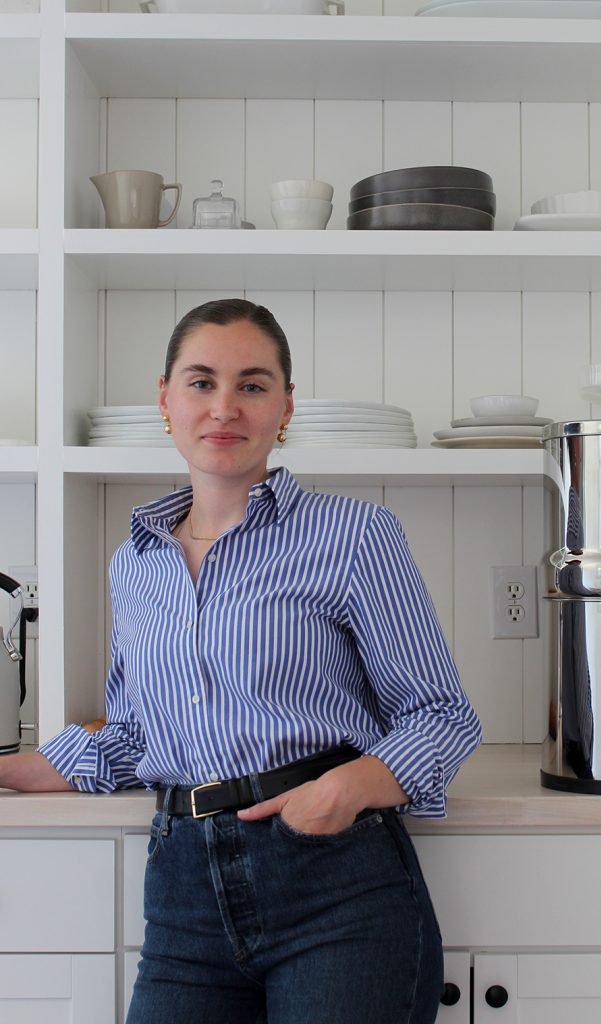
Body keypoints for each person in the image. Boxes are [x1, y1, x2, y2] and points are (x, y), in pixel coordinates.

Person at [0, 298, 481, 1024]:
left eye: (252, 386)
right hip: (183, 889)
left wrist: (345, 788)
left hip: (334, 880)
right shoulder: (134, 562)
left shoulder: (354, 536)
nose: (224, 407)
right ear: (164, 399)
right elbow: (135, 737)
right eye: (200, 382)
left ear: (284, 407)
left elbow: (439, 715)